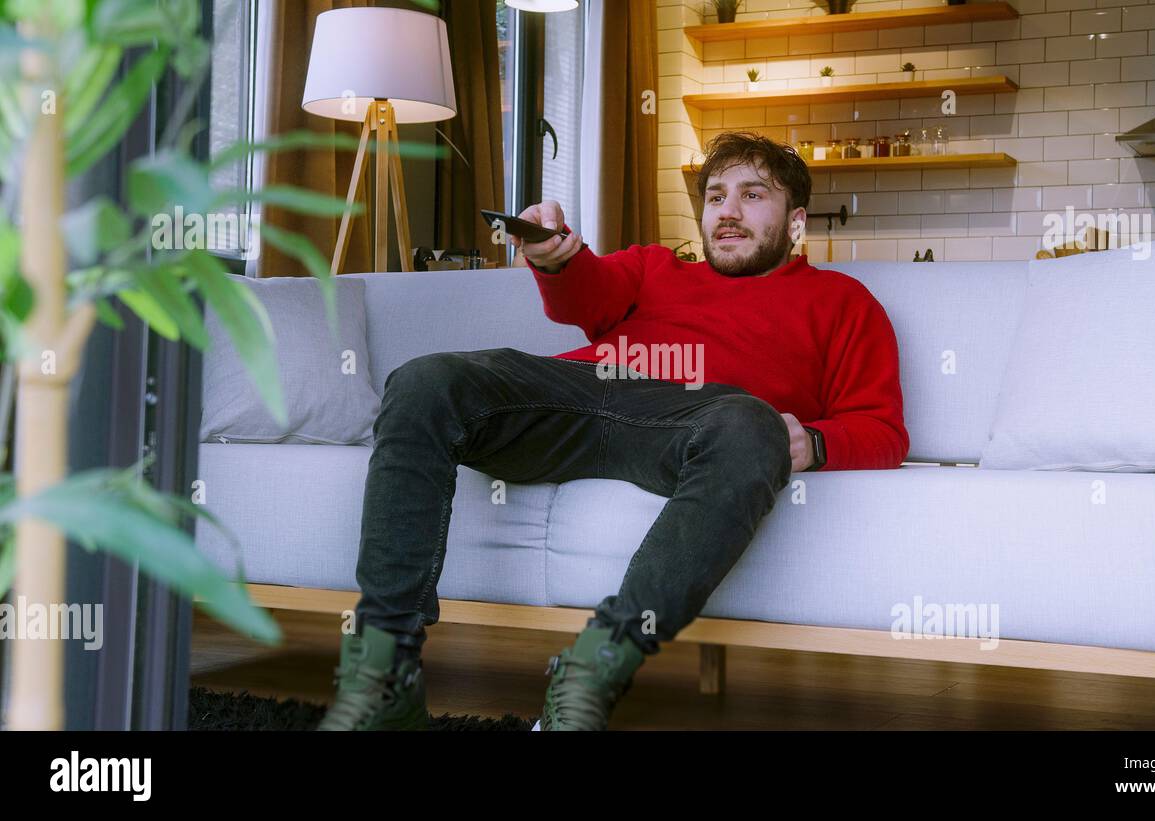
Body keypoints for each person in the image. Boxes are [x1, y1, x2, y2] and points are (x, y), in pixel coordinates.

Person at [318, 131, 909, 731]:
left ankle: (588, 676)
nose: (727, 212)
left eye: (752, 195)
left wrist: (816, 441)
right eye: (715, 196)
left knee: (751, 424)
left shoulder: (844, 301)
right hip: (579, 395)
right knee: (424, 379)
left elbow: (883, 430)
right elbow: (586, 290)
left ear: (797, 220)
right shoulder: (656, 265)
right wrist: (555, 257)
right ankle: (384, 678)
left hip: (696, 423)